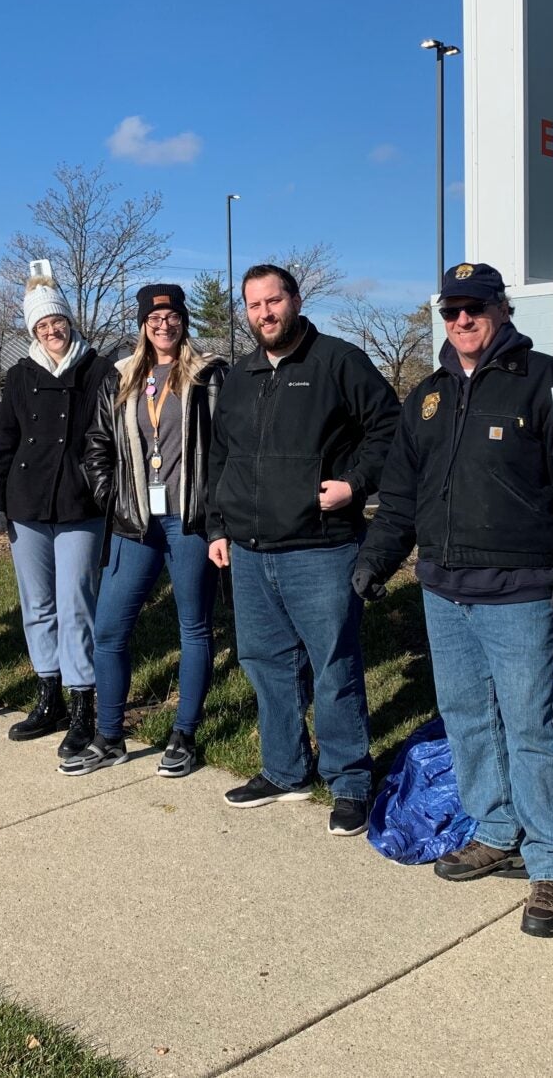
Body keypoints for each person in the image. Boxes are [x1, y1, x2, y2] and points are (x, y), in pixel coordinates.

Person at [354, 263, 553, 938]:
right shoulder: (425, 397)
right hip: (444, 590)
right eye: (451, 310)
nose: (461, 320)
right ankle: (495, 828)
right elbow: (400, 494)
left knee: (530, 727)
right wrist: (376, 560)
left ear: (501, 310)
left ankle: (552, 865)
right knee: (465, 717)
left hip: (519, 591)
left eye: (474, 307)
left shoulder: (546, 379)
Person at [206, 264, 399, 836]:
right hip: (250, 547)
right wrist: (218, 526)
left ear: (295, 300)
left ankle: (350, 781)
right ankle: (284, 770)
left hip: (321, 546)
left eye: (274, 301)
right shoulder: (239, 375)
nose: (265, 313)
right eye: (254, 305)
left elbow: (391, 428)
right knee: (266, 664)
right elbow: (222, 457)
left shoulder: (338, 361)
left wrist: (355, 484)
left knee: (333, 664)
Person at [63, 283, 227, 777]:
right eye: (154, 318)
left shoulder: (210, 374)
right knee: (110, 629)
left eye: (172, 316)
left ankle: (183, 734)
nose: (164, 325)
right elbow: (96, 444)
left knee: (194, 627)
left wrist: (219, 511)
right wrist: (112, 497)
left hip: (190, 521)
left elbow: (227, 446)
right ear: (142, 323)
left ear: (184, 320)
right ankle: (109, 736)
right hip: (135, 522)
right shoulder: (120, 377)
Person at [0, 273, 115, 758]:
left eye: (56, 319)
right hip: (27, 505)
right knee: (37, 605)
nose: (50, 330)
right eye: (41, 323)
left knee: (76, 603)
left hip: (81, 505)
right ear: (32, 329)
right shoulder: (19, 375)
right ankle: (48, 696)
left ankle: (83, 702)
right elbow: (4, 443)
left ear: (68, 320)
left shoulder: (100, 370)